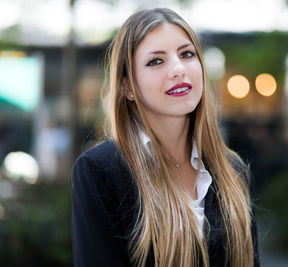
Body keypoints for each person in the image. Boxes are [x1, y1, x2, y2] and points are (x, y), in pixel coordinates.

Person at [71, 7, 260, 267]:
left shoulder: (232, 171)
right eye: (156, 61)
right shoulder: (100, 170)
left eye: (187, 54)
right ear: (128, 87)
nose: (178, 69)